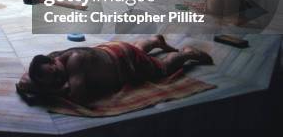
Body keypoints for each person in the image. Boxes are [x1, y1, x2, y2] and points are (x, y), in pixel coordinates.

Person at [19, 35, 212, 105]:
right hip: (112, 50)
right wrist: (45, 83)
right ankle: (153, 41)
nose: (58, 79)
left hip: (124, 61)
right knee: (136, 49)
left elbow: (79, 98)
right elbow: (24, 81)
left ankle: (187, 54)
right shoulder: (51, 58)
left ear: (52, 63)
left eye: (55, 74)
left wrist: (50, 90)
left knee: (162, 69)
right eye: (52, 80)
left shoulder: (74, 62)